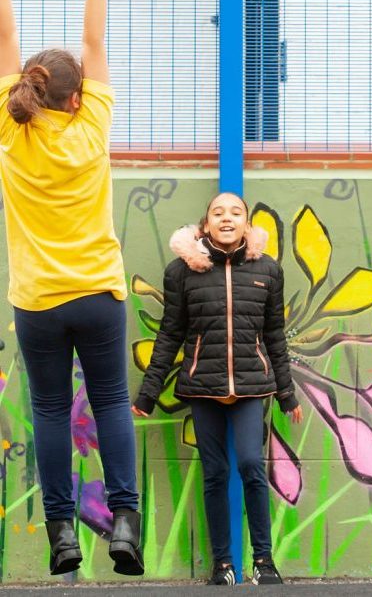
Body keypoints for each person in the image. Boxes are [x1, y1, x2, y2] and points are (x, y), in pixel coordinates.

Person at [0, 0, 143, 577]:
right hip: (97, 292)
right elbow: (94, 41)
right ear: (78, 97)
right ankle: (125, 521)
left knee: (51, 411)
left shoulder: (12, 129)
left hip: (38, 301)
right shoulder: (93, 127)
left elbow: (3, 38)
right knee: (111, 402)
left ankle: (62, 532)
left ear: (30, 90)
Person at [133, 191, 303, 586]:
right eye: (218, 212)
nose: (227, 218)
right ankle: (223, 564)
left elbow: (275, 336)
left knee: (250, 465)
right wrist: (148, 392)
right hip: (203, 387)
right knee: (215, 472)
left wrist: (286, 393)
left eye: (236, 212)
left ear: (246, 224)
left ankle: (263, 560)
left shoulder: (268, 270)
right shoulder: (182, 272)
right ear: (206, 224)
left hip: (250, 387)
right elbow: (170, 334)